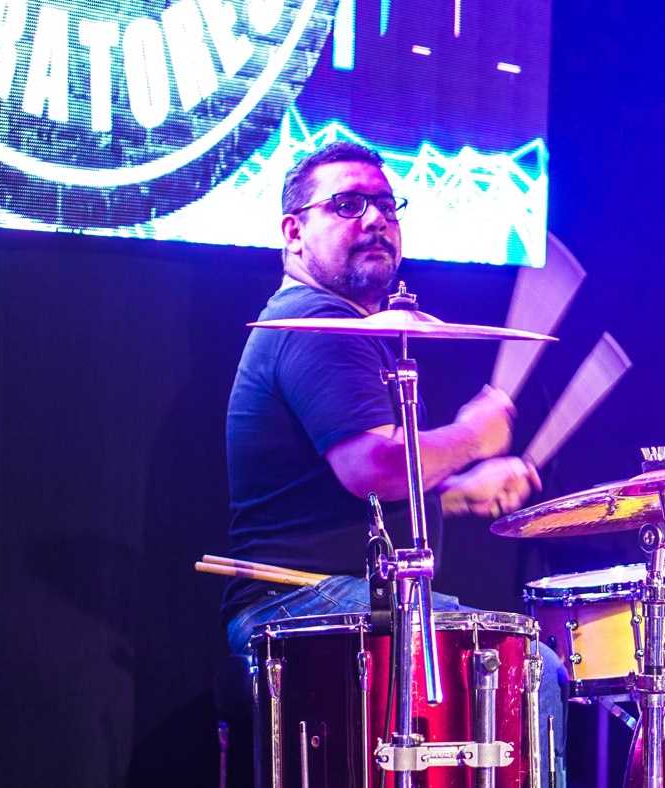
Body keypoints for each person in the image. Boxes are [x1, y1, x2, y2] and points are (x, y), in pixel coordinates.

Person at [222, 140, 566, 786]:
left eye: (385, 204)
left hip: (327, 591)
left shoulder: (319, 323)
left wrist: (455, 492)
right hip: (299, 599)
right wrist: (472, 436)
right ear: (293, 233)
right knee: (528, 669)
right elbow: (373, 469)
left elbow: (334, 495)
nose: (376, 218)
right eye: (348, 205)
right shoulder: (314, 324)